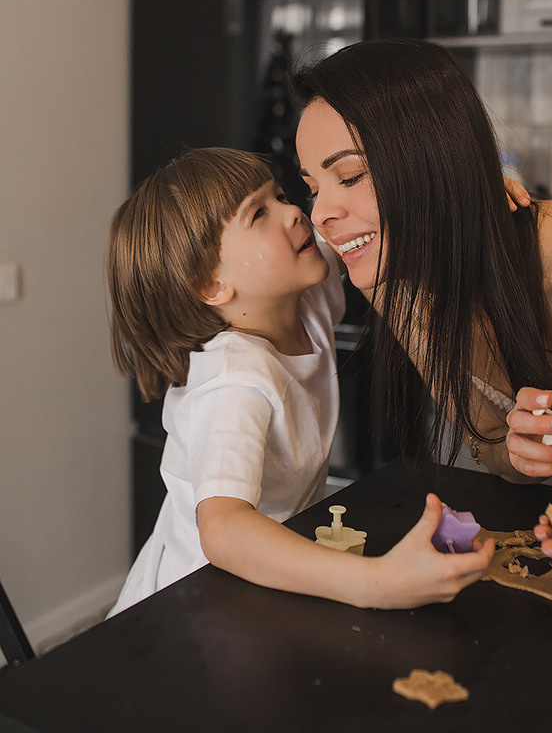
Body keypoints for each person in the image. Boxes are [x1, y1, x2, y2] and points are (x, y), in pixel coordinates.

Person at [290, 38, 552, 563]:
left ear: (432, 160)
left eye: (350, 176)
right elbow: (491, 450)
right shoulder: (389, 277)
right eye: (313, 186)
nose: (321, 213)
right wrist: (527, 456)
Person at [106, 146, 494, 616]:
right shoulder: (237, 383)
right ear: (210, 285)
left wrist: (480, 199)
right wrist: (378, 583)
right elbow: (224, 530)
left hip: (260, 581)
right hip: (190, 606)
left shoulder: (305, 300)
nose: (294, 211)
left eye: (283, 195)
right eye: (259, 214)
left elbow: (379, 226)